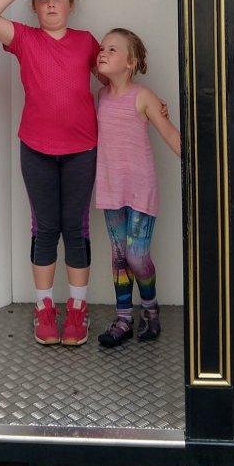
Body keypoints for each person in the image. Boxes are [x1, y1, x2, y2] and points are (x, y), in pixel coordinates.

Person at [0, 0, 99, 347]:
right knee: (46, 229)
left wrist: (146, 103)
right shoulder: (24, 38)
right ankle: (44, 309)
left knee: (75, 229)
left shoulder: (86, 41)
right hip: (36, 149)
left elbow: (113, 80)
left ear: (70, 5)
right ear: (33, 7)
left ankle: (77, 309)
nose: (51, 4)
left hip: (82, 149)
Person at [94, 28, 181, 347]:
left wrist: (205, 166)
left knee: (136, 256)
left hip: (140, 188)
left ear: (131, 63)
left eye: (112, 50)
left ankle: (150, 309)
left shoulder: (143, 96)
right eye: (102, 48)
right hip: (110, 187)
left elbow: (170, 134)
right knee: (119, 256)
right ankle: (123, 319)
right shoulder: (101, 95)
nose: (103, 53)